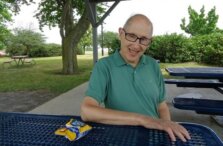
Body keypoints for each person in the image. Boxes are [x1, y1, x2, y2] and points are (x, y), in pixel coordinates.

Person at [80, 14, 191, 142]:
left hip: (153, 138)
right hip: (120, 139)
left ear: (149, 41)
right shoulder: (104, 67)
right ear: (121, 33)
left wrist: (166, 129)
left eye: (144, 39)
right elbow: (87, 111)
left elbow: (161, 107)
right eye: (131, 36)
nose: (136, 45)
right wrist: (143, 120)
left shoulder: (153, 65)